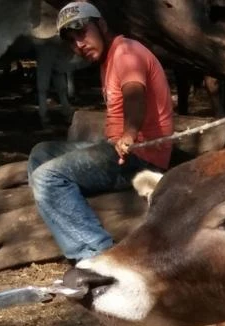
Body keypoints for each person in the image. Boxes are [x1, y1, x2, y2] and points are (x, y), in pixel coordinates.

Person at [28, 1, 174, 261]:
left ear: (102, 25)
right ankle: (71, 226)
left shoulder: (126, 52)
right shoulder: (110, 58)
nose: (79, 44)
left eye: (82, 32)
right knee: (41, 153)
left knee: (46, 178)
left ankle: (97, 253)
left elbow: (134, 95)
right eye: (72, 40)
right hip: (118, 150)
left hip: (141, 156)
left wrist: (130, 133)